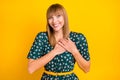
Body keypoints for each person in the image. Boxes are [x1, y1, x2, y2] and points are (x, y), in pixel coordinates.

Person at [27, 3, 90, 80]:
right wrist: (55, 52)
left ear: (64, 17)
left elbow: (87, 69)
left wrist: (74, 51)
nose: (54, 21)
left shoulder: (78, 38)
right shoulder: (42, 37)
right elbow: (31, 69)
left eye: (58, 16)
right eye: (50, 18)